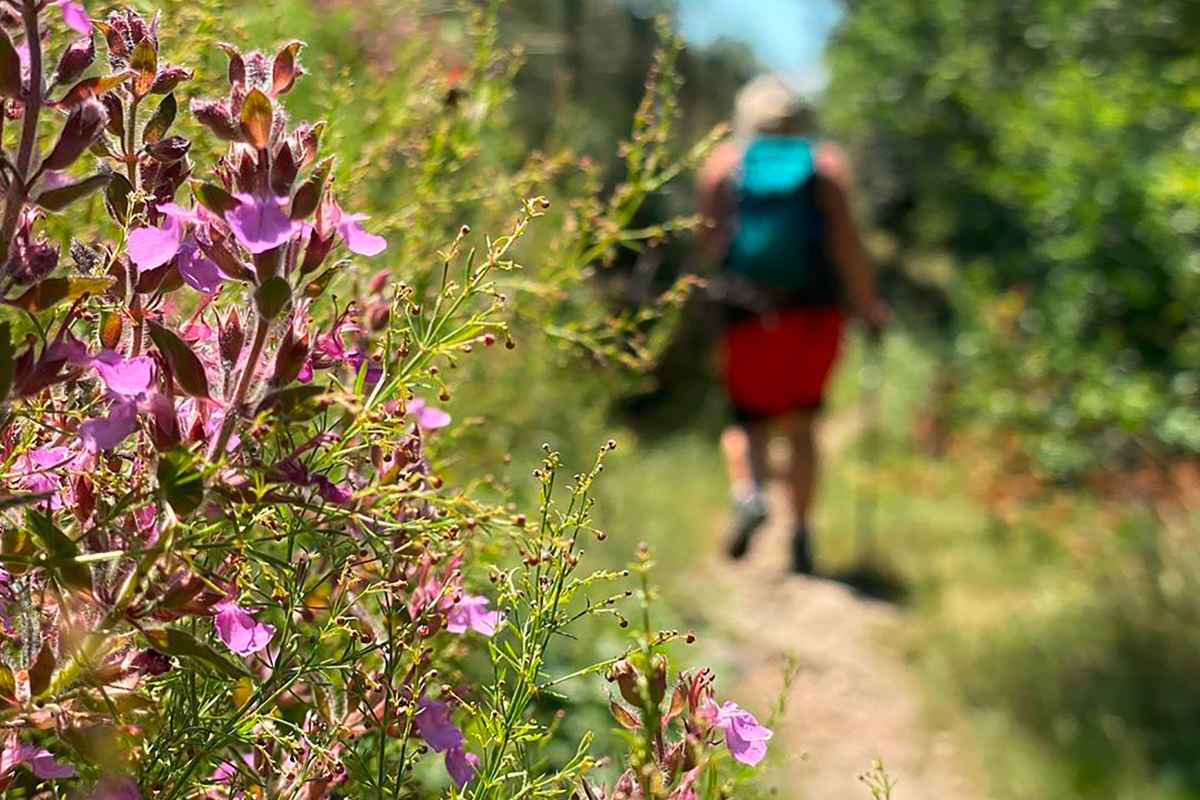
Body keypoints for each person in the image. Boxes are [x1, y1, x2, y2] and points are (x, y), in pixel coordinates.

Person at [695, 74, 887, 574]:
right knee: (802, 426)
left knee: (747, 423)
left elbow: (707, 247)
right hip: (815, 316)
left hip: (746, 315)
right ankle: (800, 535)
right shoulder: (824, 166)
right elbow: (847, 245)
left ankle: (750, 494)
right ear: (800, 119)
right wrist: (868, 307)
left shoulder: (723, 166)